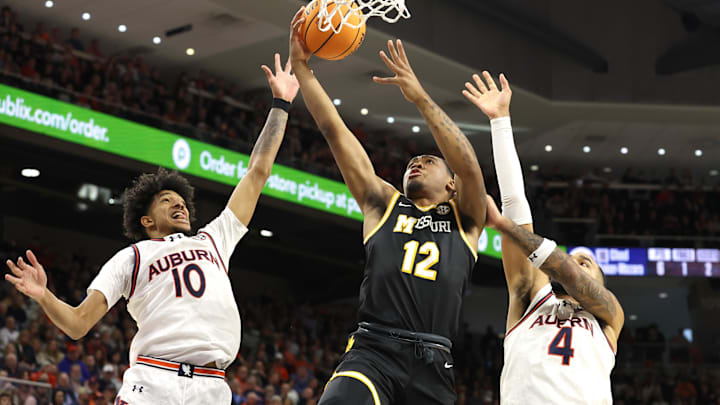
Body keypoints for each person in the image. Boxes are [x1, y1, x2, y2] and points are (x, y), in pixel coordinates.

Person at [5, 54, 300, 404]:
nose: (179, 205)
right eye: (166, 201)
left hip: (212, 387)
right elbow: (78, 324)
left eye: (181, 201)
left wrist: (280, 105)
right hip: (154, 382)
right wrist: (43, 296)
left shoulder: (214, 239)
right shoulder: (132, 257)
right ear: (146, 221)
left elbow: (257, 172)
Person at [289, 9, 487, 405]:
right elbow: (334, 131)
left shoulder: (465, 217)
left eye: (429, 162)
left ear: (451, 185)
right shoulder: (384, 204)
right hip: (372, 349)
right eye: (413, 161)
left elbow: (468, 163)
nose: (417, 162)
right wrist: (301, 68)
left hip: (434, 361)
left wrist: (420, 98)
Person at [463, 71, 624, 404]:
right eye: (576, 257)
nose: (578, 262)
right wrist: (500, 122)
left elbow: (570, 275)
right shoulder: (528, 299)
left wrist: (506, 227)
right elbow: (514, 203)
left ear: (600, 285)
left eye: (588, 263)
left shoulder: (609, 316)